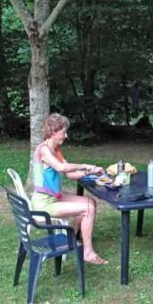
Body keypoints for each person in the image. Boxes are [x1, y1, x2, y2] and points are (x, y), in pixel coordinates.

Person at [31, 113, 108, 265]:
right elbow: (61, 167)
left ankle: (72, 238)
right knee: (87, 208)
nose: (66, 136)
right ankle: (88, 252)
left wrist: (90, 171)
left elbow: (70, 174)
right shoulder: (44, 150)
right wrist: (84, 165)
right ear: (53, 132)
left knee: (90, 202)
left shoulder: (56, 149)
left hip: (54, 197)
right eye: (63, 132)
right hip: (44, 203)